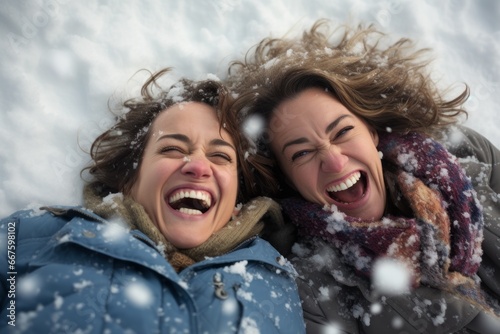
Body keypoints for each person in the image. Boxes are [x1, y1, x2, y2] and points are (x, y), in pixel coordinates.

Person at [227, 20, 500, 333]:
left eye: (342, 131)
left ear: (371, 133)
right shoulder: (315, 296)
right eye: (301, 153)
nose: (333, 160)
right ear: (289, 180)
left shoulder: (469, 158)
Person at [0, 68, 305, 333]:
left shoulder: (284, 278)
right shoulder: (34, 235)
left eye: (220, 156)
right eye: (172, 149)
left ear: (238, 196)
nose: (198, 166)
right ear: (129, 180)